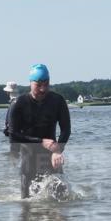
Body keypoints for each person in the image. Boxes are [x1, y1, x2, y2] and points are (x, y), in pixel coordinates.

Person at [8, 64, 71, 198]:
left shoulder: (57, 101)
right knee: (26, 203)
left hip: (51, 156)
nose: (43, 89)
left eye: (46, 84)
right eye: (38, 85)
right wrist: (40, 142)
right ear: (31, 83)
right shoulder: (18, 104)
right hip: (28, 156)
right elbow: (13, 134)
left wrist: (58, 149)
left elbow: (66, 129)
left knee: (62, 198)